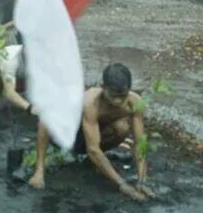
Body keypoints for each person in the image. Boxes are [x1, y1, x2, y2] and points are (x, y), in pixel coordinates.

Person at [29, 63, 155, 201]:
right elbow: (93, 149)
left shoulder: (135, 103)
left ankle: (95, 162)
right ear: (102, 87)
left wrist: (142, 181)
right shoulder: (91, 102)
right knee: (48, 115)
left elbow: (140, 144)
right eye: (113, 96)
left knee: (123, 127)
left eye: (122, 96)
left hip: (93, 137)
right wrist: (122, 184)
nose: (118, 101)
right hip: (67, 137)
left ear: (130, 89)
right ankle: (39, 170)